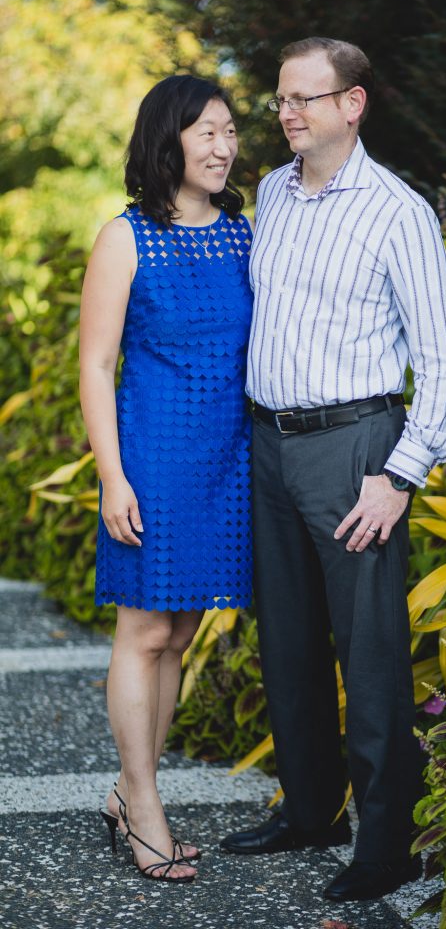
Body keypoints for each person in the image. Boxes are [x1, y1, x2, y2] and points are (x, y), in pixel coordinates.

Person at [219, 38, 446, 901]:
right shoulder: (272, 195)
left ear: (351, 104)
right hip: (270, 445)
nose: (287, 113)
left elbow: (439, 363)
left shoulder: (399, 212)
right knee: (285, 642)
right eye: (280, 99)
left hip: (355, 450)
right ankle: (311, 811)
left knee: (369, 656)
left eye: (304, 99)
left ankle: (386, 842)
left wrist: (397, 477)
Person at [80, 75, 252, 882]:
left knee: (181, 633)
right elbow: (95, 363)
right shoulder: (126, 237)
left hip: (227, 461)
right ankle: (144, 802)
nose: (222, 147)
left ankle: (127, 791)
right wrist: (112, 477)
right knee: (144, 631)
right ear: (168, 140)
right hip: (153, 457)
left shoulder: (245, 233)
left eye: (229, 131)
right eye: (205, 132)